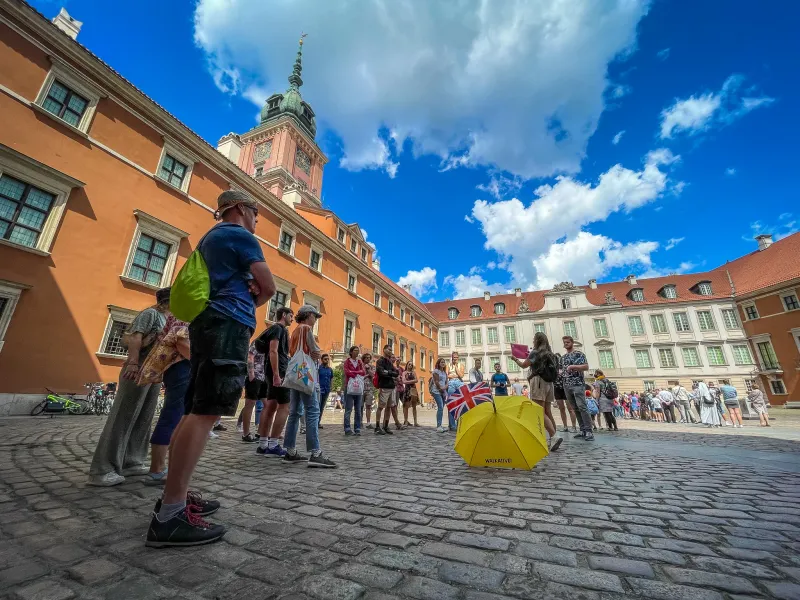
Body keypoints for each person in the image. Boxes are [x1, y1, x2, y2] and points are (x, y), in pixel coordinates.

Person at [147, 190, 276, 547]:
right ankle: (170, 515)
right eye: (254, 210)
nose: (256, 218)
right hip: (229, 322)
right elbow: (269, 286)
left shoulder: (211, 238)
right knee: (205, 413)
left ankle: (176, 493)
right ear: (237, 208)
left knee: (192, 410)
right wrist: (255, 294)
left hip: (206, 322)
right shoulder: (238, 235)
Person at [89, 287, 172, 487]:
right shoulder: (151, 314)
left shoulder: (168, 319)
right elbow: (135, 337)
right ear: (167, 300)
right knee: (123, 417)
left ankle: (131, 461)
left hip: (153, 375)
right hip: (137, 370)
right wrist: (133, 363)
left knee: (143, 418)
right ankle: (103, 469)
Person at [138, 314, 191, 486]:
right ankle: (157, 470)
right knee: (173, 417)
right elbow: (182, 341)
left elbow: (163, 335)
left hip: (174, 367)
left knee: (174, 416)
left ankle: (160, 467)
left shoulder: (177, 312)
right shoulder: (191, 311)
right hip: (183, 365)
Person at [281, 305, 333, 467]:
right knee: (313, 411)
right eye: (315, 316)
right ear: (308, 315)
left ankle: (290, 451)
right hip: (305, 373)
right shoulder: (306, 329)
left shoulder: (295, 330)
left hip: (296, 372)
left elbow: (291, 351)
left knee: (295, 412)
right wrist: (316, 352)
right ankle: (315, 453)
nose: (315, 319)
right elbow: (316, 351)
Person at [512, 332, 561, 451]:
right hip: (549, 383)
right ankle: (554, 437)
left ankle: (554, 436)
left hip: (538, 381)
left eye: (534, 339)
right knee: (547, 411)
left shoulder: (535, 352)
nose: (533, 341)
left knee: (538, 411)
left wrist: (515, 359)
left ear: (537, 340)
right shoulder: (550, 354)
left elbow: (524, 365)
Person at [255, 307, 294, 457]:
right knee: (285, 406)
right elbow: (273, 350)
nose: (292, 318)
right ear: (284, 315)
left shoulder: (274, 329)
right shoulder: (278, 329)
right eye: (291, 315)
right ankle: (273, 444)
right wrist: (277, 374)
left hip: (271, 370)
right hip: (279, 370)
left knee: (270, 405)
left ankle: (263, 444)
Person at [560, 336, 592, 441]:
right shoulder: (563, 357)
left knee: (582, 406)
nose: (566, 344)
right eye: (564, 342)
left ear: (572, 343)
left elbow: (586, 367)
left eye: (568, 342)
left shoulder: (579, 354)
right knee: (575, 408)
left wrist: (573, 367)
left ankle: (589, 431)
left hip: (578, 383)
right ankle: (583, 430)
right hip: (566, 384)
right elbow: (561, 370)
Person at [239, 339, 267, 443]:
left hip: (264, 378)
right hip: (255, 376)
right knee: (250, 403)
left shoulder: (271, 343)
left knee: (267, 405)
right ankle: (246, 434)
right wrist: (251, 375)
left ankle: (260, 433)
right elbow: (250, 357)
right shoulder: (258, 342)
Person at [375, 345, 399, 435]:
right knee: (381, 407)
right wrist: (390, 373)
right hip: (384, 386)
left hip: (391, 386)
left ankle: (386, 425)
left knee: (389, 407)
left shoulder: (389, 362)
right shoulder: (380, 361)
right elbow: (380, 372)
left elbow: (396, 373)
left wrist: (388, 372)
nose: (390, 351)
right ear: (384, 350)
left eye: (391, 350)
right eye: (388, 349)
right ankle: (377, 426)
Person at [343, 346, 365, 435]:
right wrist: (357, 373)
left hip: (358, 388)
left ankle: (357, 428)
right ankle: (347, 428)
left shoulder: (359, 362)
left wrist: (354, 373)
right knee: (348, 409)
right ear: (351, 352)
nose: (357, 352)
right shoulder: (347, 362)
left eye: (358, 351)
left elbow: (363, 372)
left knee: (358, 409)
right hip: (349, 387)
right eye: (355, 350)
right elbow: (347, 372)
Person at [553, 354, 577, 432]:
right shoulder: (553, 369)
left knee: (570, 409)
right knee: (561, 409)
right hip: (557, 389)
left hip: (566, 388)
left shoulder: (566, 367)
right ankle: (565, 426)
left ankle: (574, 427)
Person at [446, 352, 465, 431]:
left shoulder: (461, 365)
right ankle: (452, 425)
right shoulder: (448, 365)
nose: (455, 359)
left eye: (456, 357)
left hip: (459, 383)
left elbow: (461, 375)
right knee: (451, 404)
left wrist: (456, 367)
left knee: (460, 404)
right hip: (451, 383)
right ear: (452, 357)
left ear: (458, 358)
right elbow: (446, 375)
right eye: (454, 357)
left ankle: (459, 424)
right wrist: (453, 376)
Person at [430, 357, 448, 433]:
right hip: (436, 391)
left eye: (444, 362)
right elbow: (436, 381)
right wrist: (441, 389)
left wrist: (444, 388)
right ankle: (438, 426)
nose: (443, 363)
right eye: (441, 362)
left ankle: (440, 425)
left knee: (441, 408)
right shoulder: (436, 371)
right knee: (440, 407)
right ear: (438, 363)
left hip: (443, 391)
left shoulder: (444, 373)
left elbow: (447, 382)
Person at [318, 354, 334, 430]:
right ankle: (315, 422)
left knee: (322, 407)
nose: (327, 360)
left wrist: (331, 386)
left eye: (328, 359)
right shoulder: (318, 368)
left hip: (326, 390)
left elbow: (331, 378)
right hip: (319, 390)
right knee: (318, 406)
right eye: (325, 359)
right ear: (322, 359)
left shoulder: (330, 369)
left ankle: (318, 422)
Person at [402, 361, 420, 427]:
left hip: (413, 389)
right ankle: (406, 421)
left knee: (414, 406)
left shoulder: (413, 372)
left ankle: (415, 422)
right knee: (406, 406)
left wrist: (408, 381)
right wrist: (412, 381)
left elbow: (416, 380)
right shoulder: (404, 373)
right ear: (407, 365)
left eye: (411, 365)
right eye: (409, 364)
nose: (410, 365)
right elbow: (403, 381)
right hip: (407, 390)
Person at [361, 353, 376, 429]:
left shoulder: (372, 367)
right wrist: (367, 375)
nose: (367, 359)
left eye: (369, 358)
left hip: (369, 389)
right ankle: (359, 422)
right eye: (366, 357)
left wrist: (368, 369)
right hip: (360, 388)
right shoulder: (360, 366)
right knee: (360, 406)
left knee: (368, 406)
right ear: (363, 358)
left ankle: (368, 422)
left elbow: (373, 375)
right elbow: (359, 377)